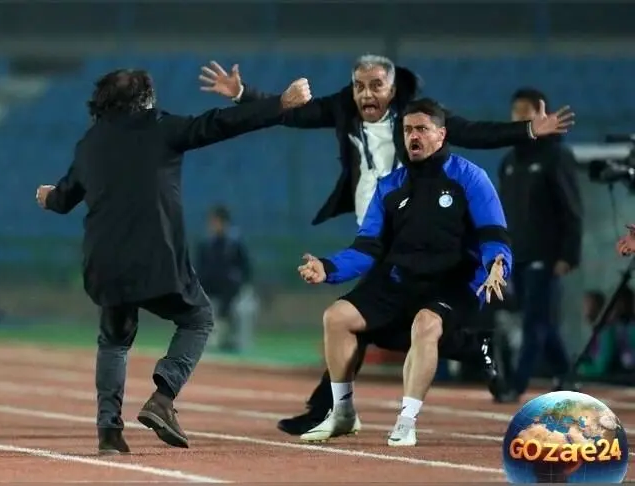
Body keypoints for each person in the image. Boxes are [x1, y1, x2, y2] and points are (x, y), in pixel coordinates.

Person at [199, 55, 574, 435]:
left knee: (401, 319)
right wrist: (244, 94)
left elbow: (477, 133)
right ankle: (350, 402)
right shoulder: (347, 114)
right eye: (359, 86)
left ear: (393, 89)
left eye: (376, 85)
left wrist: (529, 130)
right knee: (356, 317)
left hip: (426, 233)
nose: (367, 94)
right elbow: (294, 112)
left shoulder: (421, 120)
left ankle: (342, 408)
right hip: (380, 228)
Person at [35, 69, 312, 454]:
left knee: (113, 341)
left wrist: (47, 197)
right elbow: (221, 123)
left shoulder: (90, 143)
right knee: (199, 318)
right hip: (157, 259)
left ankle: (109, 432)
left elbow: (64, 198)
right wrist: (279, 104)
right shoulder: (162, 126)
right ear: (145, 99)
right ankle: (163, 397)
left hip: (105, 262)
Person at [296, 98, 512, 446]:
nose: (413, 136)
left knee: (426, 324)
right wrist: (328, 267)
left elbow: (493, 235)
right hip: (400, 280)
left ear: (441, 135)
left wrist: (497, 263)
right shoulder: (390, 186)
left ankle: (406, 420)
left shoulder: (470, 178)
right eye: (408, 129)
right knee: (336, 317)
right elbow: (367, 248)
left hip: (454, 282)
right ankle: (343, 413)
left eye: (422, 129)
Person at [494, 87, 583, 403]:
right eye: (515, 113)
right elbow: (501, 212)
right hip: (516, 254)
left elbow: (572, 209)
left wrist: (568, 254)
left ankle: (515, 385)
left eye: (525, 113)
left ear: (541, 114)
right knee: (540, 321)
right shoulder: (509, 162)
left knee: (534, 321)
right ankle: (565, 373)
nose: (518, 118)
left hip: (546, 256)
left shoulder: (556, 156)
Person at [196, 205, 254, 353]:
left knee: (230, 285)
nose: (214, 226)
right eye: (212, 222)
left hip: (228, 289)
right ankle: (202, 332)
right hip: (209, 286)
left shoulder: (234, 244)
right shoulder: (205, 244)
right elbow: (199, 268)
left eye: (217, 222)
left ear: (225, 223)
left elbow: (245, 269)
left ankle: (223, 328)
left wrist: (244, 285)